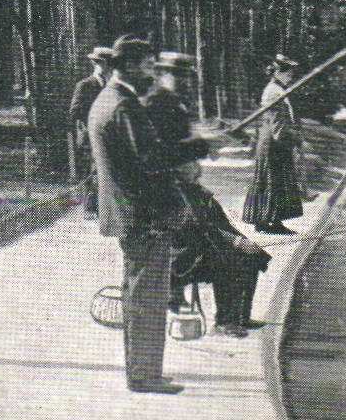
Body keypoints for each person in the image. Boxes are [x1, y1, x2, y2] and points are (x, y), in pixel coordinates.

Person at [88, 35, 211, 394]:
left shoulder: (111, 99)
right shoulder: (123, 105)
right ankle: (144, 375)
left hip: (132, 215)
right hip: (143, 217)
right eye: (147, 66)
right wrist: (202, 146)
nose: (152, 73)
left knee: (141, 293)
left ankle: (143, 371)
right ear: (126, 66)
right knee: (146, 297)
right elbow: (152, 158)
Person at [168, 161, 272, 338]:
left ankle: (240, 317)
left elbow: (222, 224)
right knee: (230, 263)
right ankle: (225, 323)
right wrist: (237, 242)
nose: (197, 168)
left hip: (202, 248)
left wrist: (245, 243)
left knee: (253, 257)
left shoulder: (196, 190)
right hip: (184, 257)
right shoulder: (176, 194)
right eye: (191, 165)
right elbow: (200, 226)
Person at [242, 54, 304, 235]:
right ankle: (266, 222)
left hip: (272, 142)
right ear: (279, 73)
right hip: (273, 144)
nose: (291, 76)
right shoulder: (273, 93)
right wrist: (295, 140)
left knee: (274, 181)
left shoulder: (277, 90)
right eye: (288, 73)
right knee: (272, 180)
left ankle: (270, 221)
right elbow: (278, 127)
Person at [69, 46, 118, 216]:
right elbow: (75, 111)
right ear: (96, 64)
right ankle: (89, 208)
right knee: (91, 172)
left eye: (109, 64)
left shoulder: (112, 87)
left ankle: (103, 208)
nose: (108, 68)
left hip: (109, 136)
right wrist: (92, 123)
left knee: (105, 171)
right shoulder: (85, 85)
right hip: (89, 136)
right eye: (103, 64)